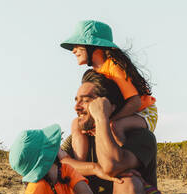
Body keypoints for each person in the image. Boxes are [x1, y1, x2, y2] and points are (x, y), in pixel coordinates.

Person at [59, 69, 170, 194]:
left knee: (127, 182)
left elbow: (112, 165)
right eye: (76, 100)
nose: (77, 107)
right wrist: (95, 168)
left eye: (86, 101)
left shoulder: (141, 137)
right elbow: (62, 163)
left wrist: (102, 119)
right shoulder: (80, 137)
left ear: (110, 105)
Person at [61, 20, 159, 161]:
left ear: (93, 46)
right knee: (76, 125)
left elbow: (135, 102)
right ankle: (80, 169)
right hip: (121, 111)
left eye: (78, 45)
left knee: (115, 127)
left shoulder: (113, 66)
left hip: (144, 112)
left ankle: (123, 162)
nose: (73, 50)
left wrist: (108, 120)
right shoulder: (96, 71)